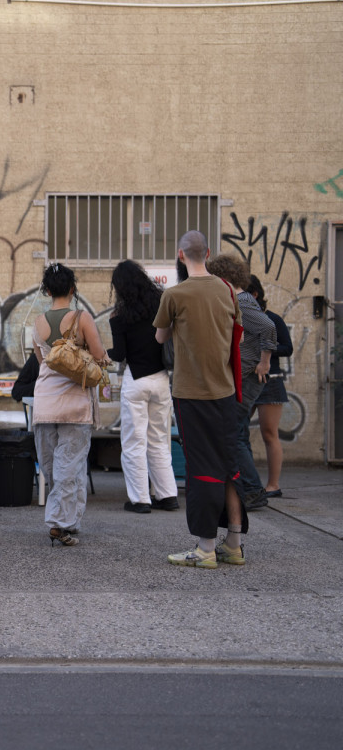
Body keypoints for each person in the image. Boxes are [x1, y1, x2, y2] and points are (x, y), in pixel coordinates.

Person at [155, 231, 247, 568]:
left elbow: (160, 336)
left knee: (202, 469)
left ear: (181, 255)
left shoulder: (174, 294)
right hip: (226, 392)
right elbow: (238, 334)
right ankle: (234, 544)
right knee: (229, 467)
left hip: (191, 394)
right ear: (207, 253)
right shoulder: (226, 290)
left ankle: (205, 548)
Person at [31, 263, 109, 547]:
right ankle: (60, 522)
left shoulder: (37, 322)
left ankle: (71, 519)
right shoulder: (81, 318)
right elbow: (98, 355)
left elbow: (42, 362)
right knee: (70, 465)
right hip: (75, 403)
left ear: (47, 290)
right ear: (73, 289)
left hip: (45, 402)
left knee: (54, 467)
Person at [107, 260, 180, 514]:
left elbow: (118, 355)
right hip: (161, 380)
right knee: (159, 440)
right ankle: (168, 495)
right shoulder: (159, 307)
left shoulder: (119, 317)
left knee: (133, 442)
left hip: (136, 381)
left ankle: (140, 499)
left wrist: (99, 352)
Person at [206, 254, 276, 512]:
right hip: (243, 375)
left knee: (233, 433)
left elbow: (268, 327)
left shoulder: (242, 300)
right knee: (240, 433)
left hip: (248, 377)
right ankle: (248, 489)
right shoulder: (238, 299)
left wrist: (265, 361)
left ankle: (253, 490)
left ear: (222, 277)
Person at [247, 275, 293, 500]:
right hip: (245, 381)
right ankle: (245, 482)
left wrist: (266, 349)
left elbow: (287, 348)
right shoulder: (240, 318)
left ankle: (273, 485)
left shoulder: (272, 319)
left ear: (255, 295)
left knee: (269, 433)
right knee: (237, 431)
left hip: (270, 381)